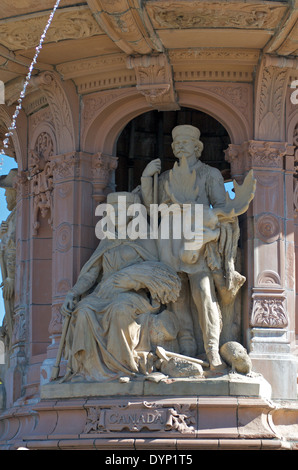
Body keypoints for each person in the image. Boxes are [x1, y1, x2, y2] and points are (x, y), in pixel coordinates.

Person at [140, 125, 243, 370]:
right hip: (169, 239)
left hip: (197, 240)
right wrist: (146, 177)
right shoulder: (164, 177)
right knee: (178, 296)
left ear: (197, 147)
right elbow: (151, 206)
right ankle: (186, 347)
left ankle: (211, 350)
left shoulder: (210, 174)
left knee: (204, 293)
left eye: (186, 142)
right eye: (178, 143)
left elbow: (221, 208)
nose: (181, 146)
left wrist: (201, 221)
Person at [60, 192, 181, 382]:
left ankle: (124, 369)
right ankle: (88, 371)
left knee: (120, 310)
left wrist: (130, 278)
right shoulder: (108, 239)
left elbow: (157, 270)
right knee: (82, 310)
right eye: (112, 210)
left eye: (120, 210)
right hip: (104, 293)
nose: (115, 214)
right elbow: (92, 272)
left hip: (133, 295)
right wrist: (73, 293)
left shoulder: (145, 237)